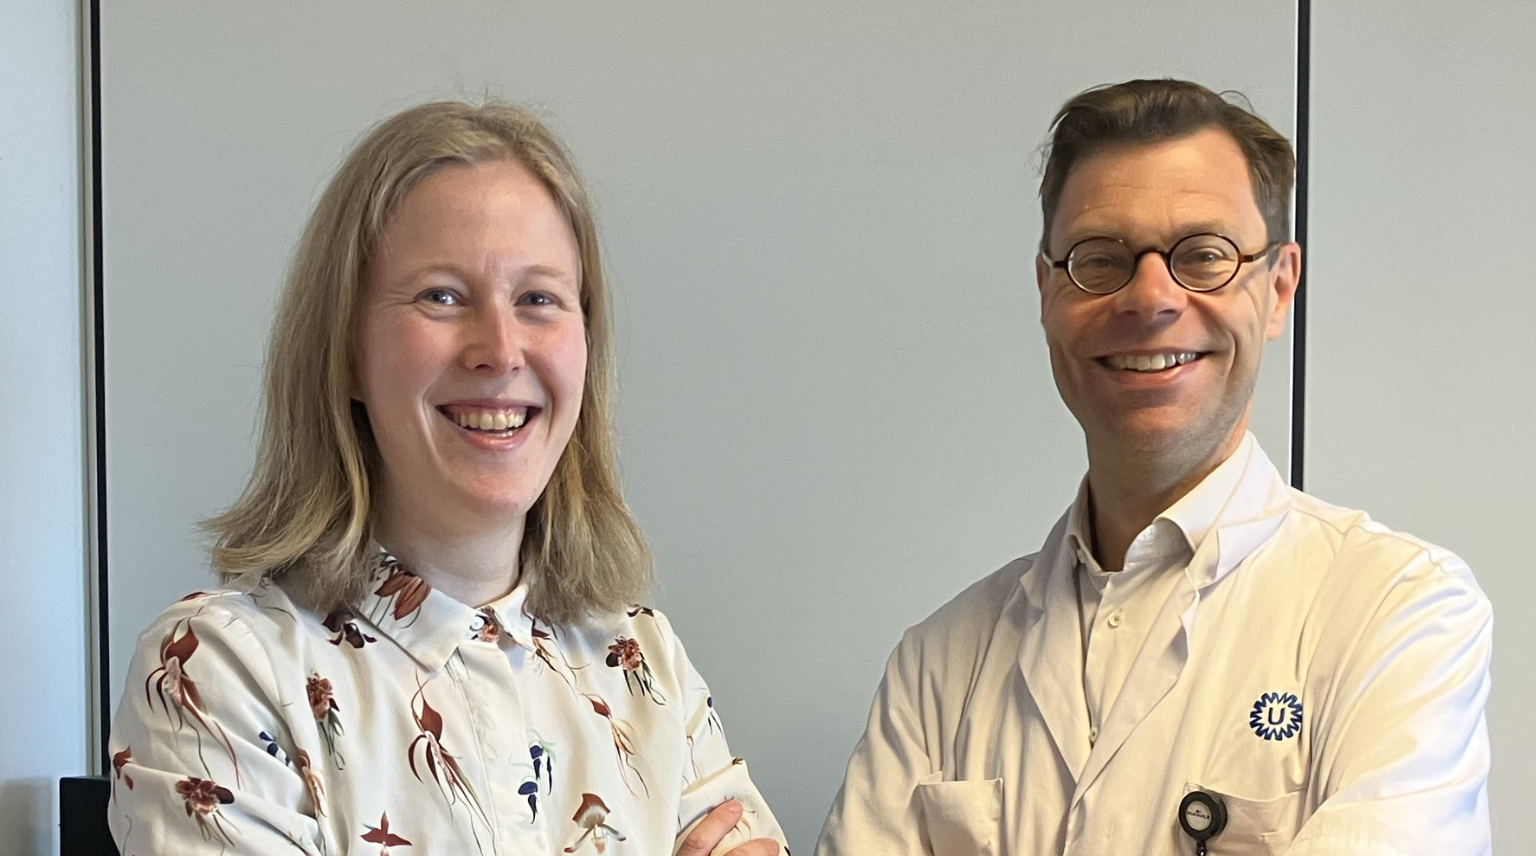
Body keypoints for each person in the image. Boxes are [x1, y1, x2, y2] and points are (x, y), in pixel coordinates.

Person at [816, 79, 1492, 856]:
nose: (1150, 299)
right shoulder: (938, 665)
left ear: (1278, 289)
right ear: (1047, 293)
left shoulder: (1400, 614)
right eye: (1100, 260)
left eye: (1203, 256)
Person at [108, 101, 785, 856]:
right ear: (346, 351)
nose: (500, 349)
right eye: (442, 296)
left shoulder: (643, 660)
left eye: (537, 299)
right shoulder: (219, 669)